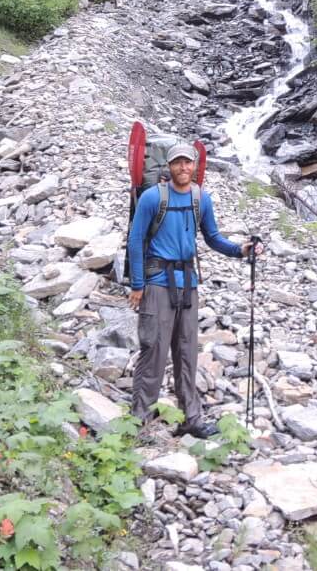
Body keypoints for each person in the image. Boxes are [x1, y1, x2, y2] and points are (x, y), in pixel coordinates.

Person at [128, 142, 262, 438]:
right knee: (154, 351)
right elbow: (135, 240)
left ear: (195, 166)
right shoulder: (152, 198)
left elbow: (212, 237)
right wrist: (137, 285)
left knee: (186, 352)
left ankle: (192, 419)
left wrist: (240, 250)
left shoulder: (202, 199)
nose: (183, 168)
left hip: (188, 284)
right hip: (158, 283)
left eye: (188, 163)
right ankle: (138, 420)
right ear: (170, 166)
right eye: (177, 163)